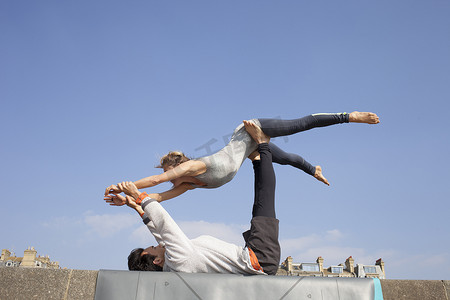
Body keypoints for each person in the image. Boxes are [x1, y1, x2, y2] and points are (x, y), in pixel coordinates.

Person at [104, 121, 281, 275]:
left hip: (255, 258)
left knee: (260, 200)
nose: (158, 245)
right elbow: (165, 224)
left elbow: (158, 230)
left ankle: (258, 158)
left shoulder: (173, 263)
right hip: (259, 258)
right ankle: (263, 145)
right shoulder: (178, 259)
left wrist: (134, 205)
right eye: (153, 248)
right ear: (157, 261)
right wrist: (137, 194)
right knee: (263, 197)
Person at [105, 112, 379, 202]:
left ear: (179, 166)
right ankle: (313, 169)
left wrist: (121, 185)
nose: (169, 179)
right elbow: (157, 198)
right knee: (285, 160)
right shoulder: (189, 185)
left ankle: (348, 116)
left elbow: (154, 182)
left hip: (249, 132)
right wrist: (128, 198)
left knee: (298, 125)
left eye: (170, 172)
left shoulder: (195, 167)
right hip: (250, 151)